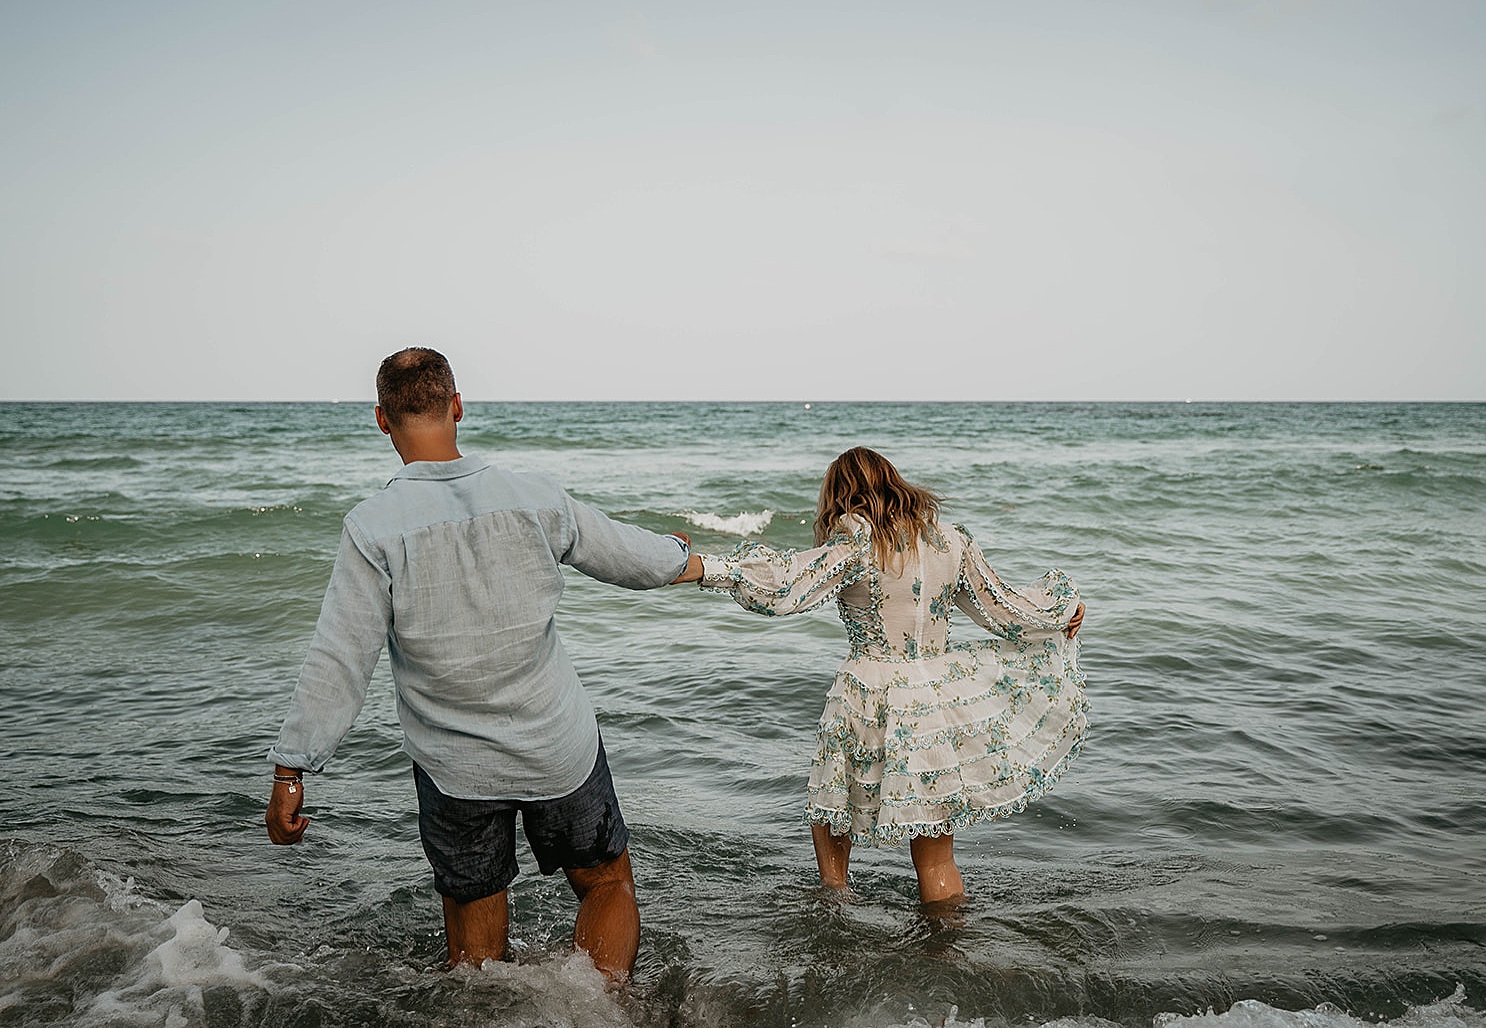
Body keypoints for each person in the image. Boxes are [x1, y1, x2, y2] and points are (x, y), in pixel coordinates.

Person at [264, 347, 694, 981]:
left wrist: (292, 768)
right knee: (606, 884)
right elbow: (633, 558)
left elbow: (339, 658)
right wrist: (679, 555)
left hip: (456, 768)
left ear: (382, 420)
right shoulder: (534, 497)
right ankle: (604, 1014)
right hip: (557, 746)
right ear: (458, 406)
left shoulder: (372, 527)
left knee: (475, 951)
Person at [673, 447, 1087, 903]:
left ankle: (835, 908)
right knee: (936, 858)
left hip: (866, 691)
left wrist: (702, 567)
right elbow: (1002, 610)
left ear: (841, 494)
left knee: (832, 804)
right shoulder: (951, 541)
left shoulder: (855, 542)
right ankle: (947, 945)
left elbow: (787, 585)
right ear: (894, 483)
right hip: (933, 696)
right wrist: (1059, 613)